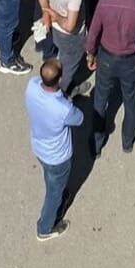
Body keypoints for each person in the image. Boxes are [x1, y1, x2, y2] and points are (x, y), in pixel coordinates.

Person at [87, 0, 135, 156]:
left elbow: (94, 31)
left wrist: (90, 53)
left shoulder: (104, 4)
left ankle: (97, 144)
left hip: (106, 56)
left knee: (100, 99)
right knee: (130, 100)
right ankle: (127, 141)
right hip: (130, 59)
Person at [23, 58, 84, 241]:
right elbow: (79, 118)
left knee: (51, 179)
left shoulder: (32, 85)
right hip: (57, 156)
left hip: (39, 146)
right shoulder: (62, 108)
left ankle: (58, 192)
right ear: (59, 79)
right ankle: (45, 227)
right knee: (54, 194)